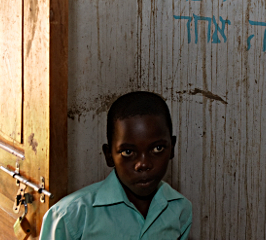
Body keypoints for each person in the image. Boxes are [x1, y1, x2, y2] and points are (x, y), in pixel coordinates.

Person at [39, 91, 192, 239]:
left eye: (157, 148)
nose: (143, 164)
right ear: (109, 155)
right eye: (127, 152)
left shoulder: (179, 209)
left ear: (172, 148)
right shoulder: (70, 216)